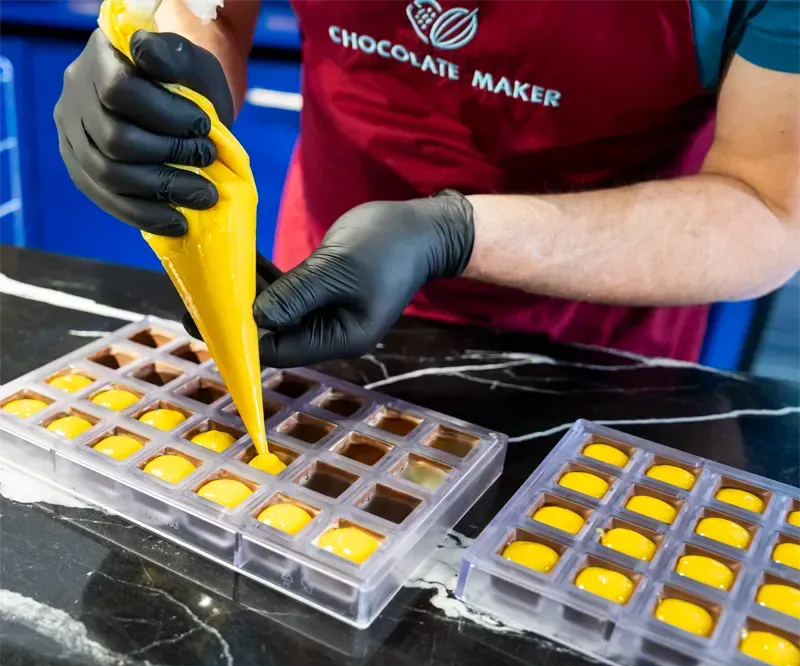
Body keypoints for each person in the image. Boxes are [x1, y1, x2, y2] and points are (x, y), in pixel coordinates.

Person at [55, 0, 800, 367]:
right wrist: (159, 74)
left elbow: (768, 208)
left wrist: (453, 234)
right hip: (321, 281)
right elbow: (203, 13)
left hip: (592, 340)